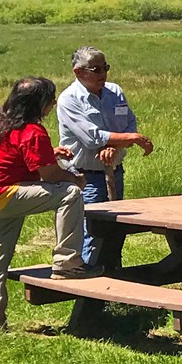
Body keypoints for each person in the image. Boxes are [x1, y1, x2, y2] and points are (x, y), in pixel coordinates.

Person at [0, 77, 100, 331]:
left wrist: (49, 153)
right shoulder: (33, 131)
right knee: (70, 192)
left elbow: (16, 155)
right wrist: (75, 178)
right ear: (38, 103)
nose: (53, 103)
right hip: (3, 194)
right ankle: (68, 263)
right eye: (50, 99)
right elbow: (50, 175)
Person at [57, 46, 154, 267]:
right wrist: (127, 138)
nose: (103, 74)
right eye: (96, 69)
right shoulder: (69, 99)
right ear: (79, 72)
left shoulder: (115, 92)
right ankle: (90, 289)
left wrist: (114, 146)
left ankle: (114, 277)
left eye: (106, 67)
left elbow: (129, 123)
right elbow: (92, 138)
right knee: (93, 232)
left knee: (116, 229)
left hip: (114, 171)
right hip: (86, 176)